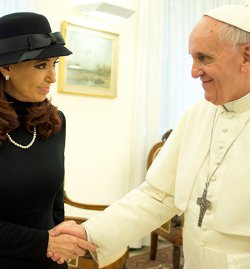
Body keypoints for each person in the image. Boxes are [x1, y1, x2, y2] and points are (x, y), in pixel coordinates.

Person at [49, 4, 250, 269]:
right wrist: (90, 232)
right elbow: (157, 194)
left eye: (204, 58)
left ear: (246, 56)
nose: (193, 72)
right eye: (192, 58)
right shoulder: (197, 115)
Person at [0, 12, 95, 269]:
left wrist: (56, 242)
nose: (52, 77)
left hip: (48, 259)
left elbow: (54, 203)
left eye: (55, 64)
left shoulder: (54, 121)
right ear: (6, 67)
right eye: (42, 65)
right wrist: (43, 243)